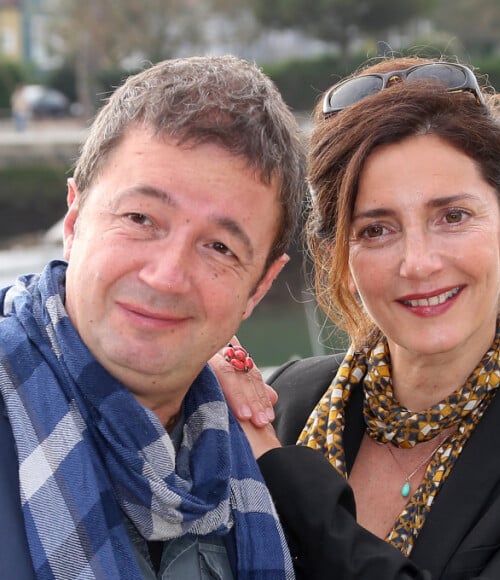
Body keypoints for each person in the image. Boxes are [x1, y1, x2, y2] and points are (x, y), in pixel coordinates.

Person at [214, 56, 500, 579]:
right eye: (376, 230)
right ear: (339, 255)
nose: (419, 263)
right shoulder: (285, 400)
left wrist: (279, 471)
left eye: (452, 217)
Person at [0, 55, 305, 579]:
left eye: (219, 247)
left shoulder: (251, 461)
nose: (166, 276)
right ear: (73, 219)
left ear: (258, 288)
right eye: (140, 218)